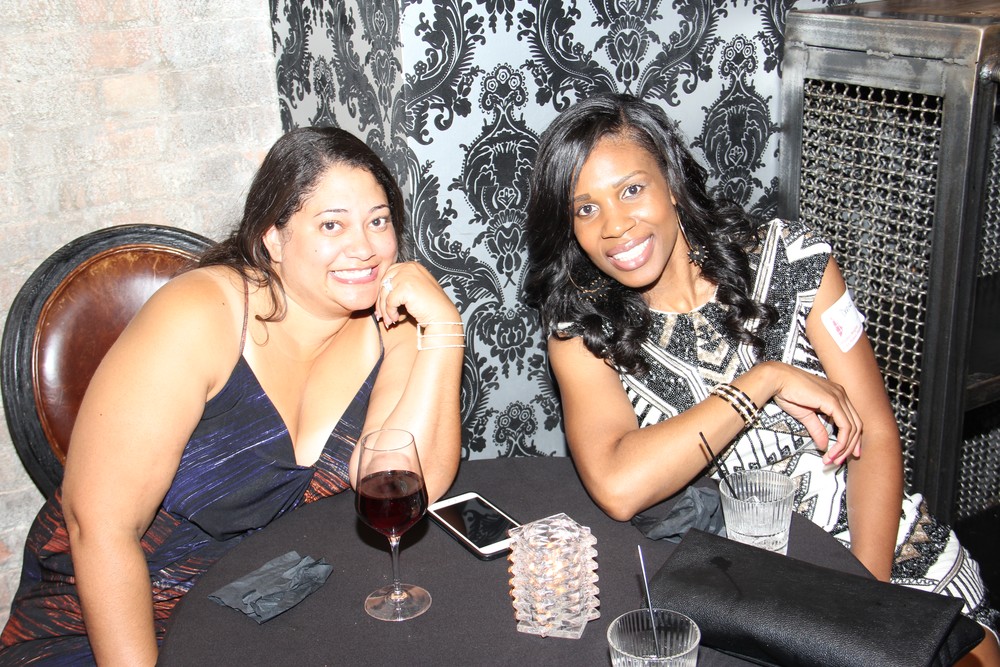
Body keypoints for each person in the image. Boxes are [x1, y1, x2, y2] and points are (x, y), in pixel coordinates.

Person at [523, 93, 999, 661]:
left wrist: (864, 598)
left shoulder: (796, 261)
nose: (615, 226)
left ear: (670, 181)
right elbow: (619, 488)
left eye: (631, 189)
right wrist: (763, 381)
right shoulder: (583, 332)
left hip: (886, 557)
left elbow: (874, 432)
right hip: (752, 593)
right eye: (585, 208)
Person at [0, 127, 464, 666]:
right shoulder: (201, 316)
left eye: (378, 221)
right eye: (331, 224)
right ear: (273, 238)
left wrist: (444, 331)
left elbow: (408, 480)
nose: (364, 248)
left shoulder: (392, 322)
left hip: (255, 611)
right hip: (108, 627)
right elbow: (99, 527)